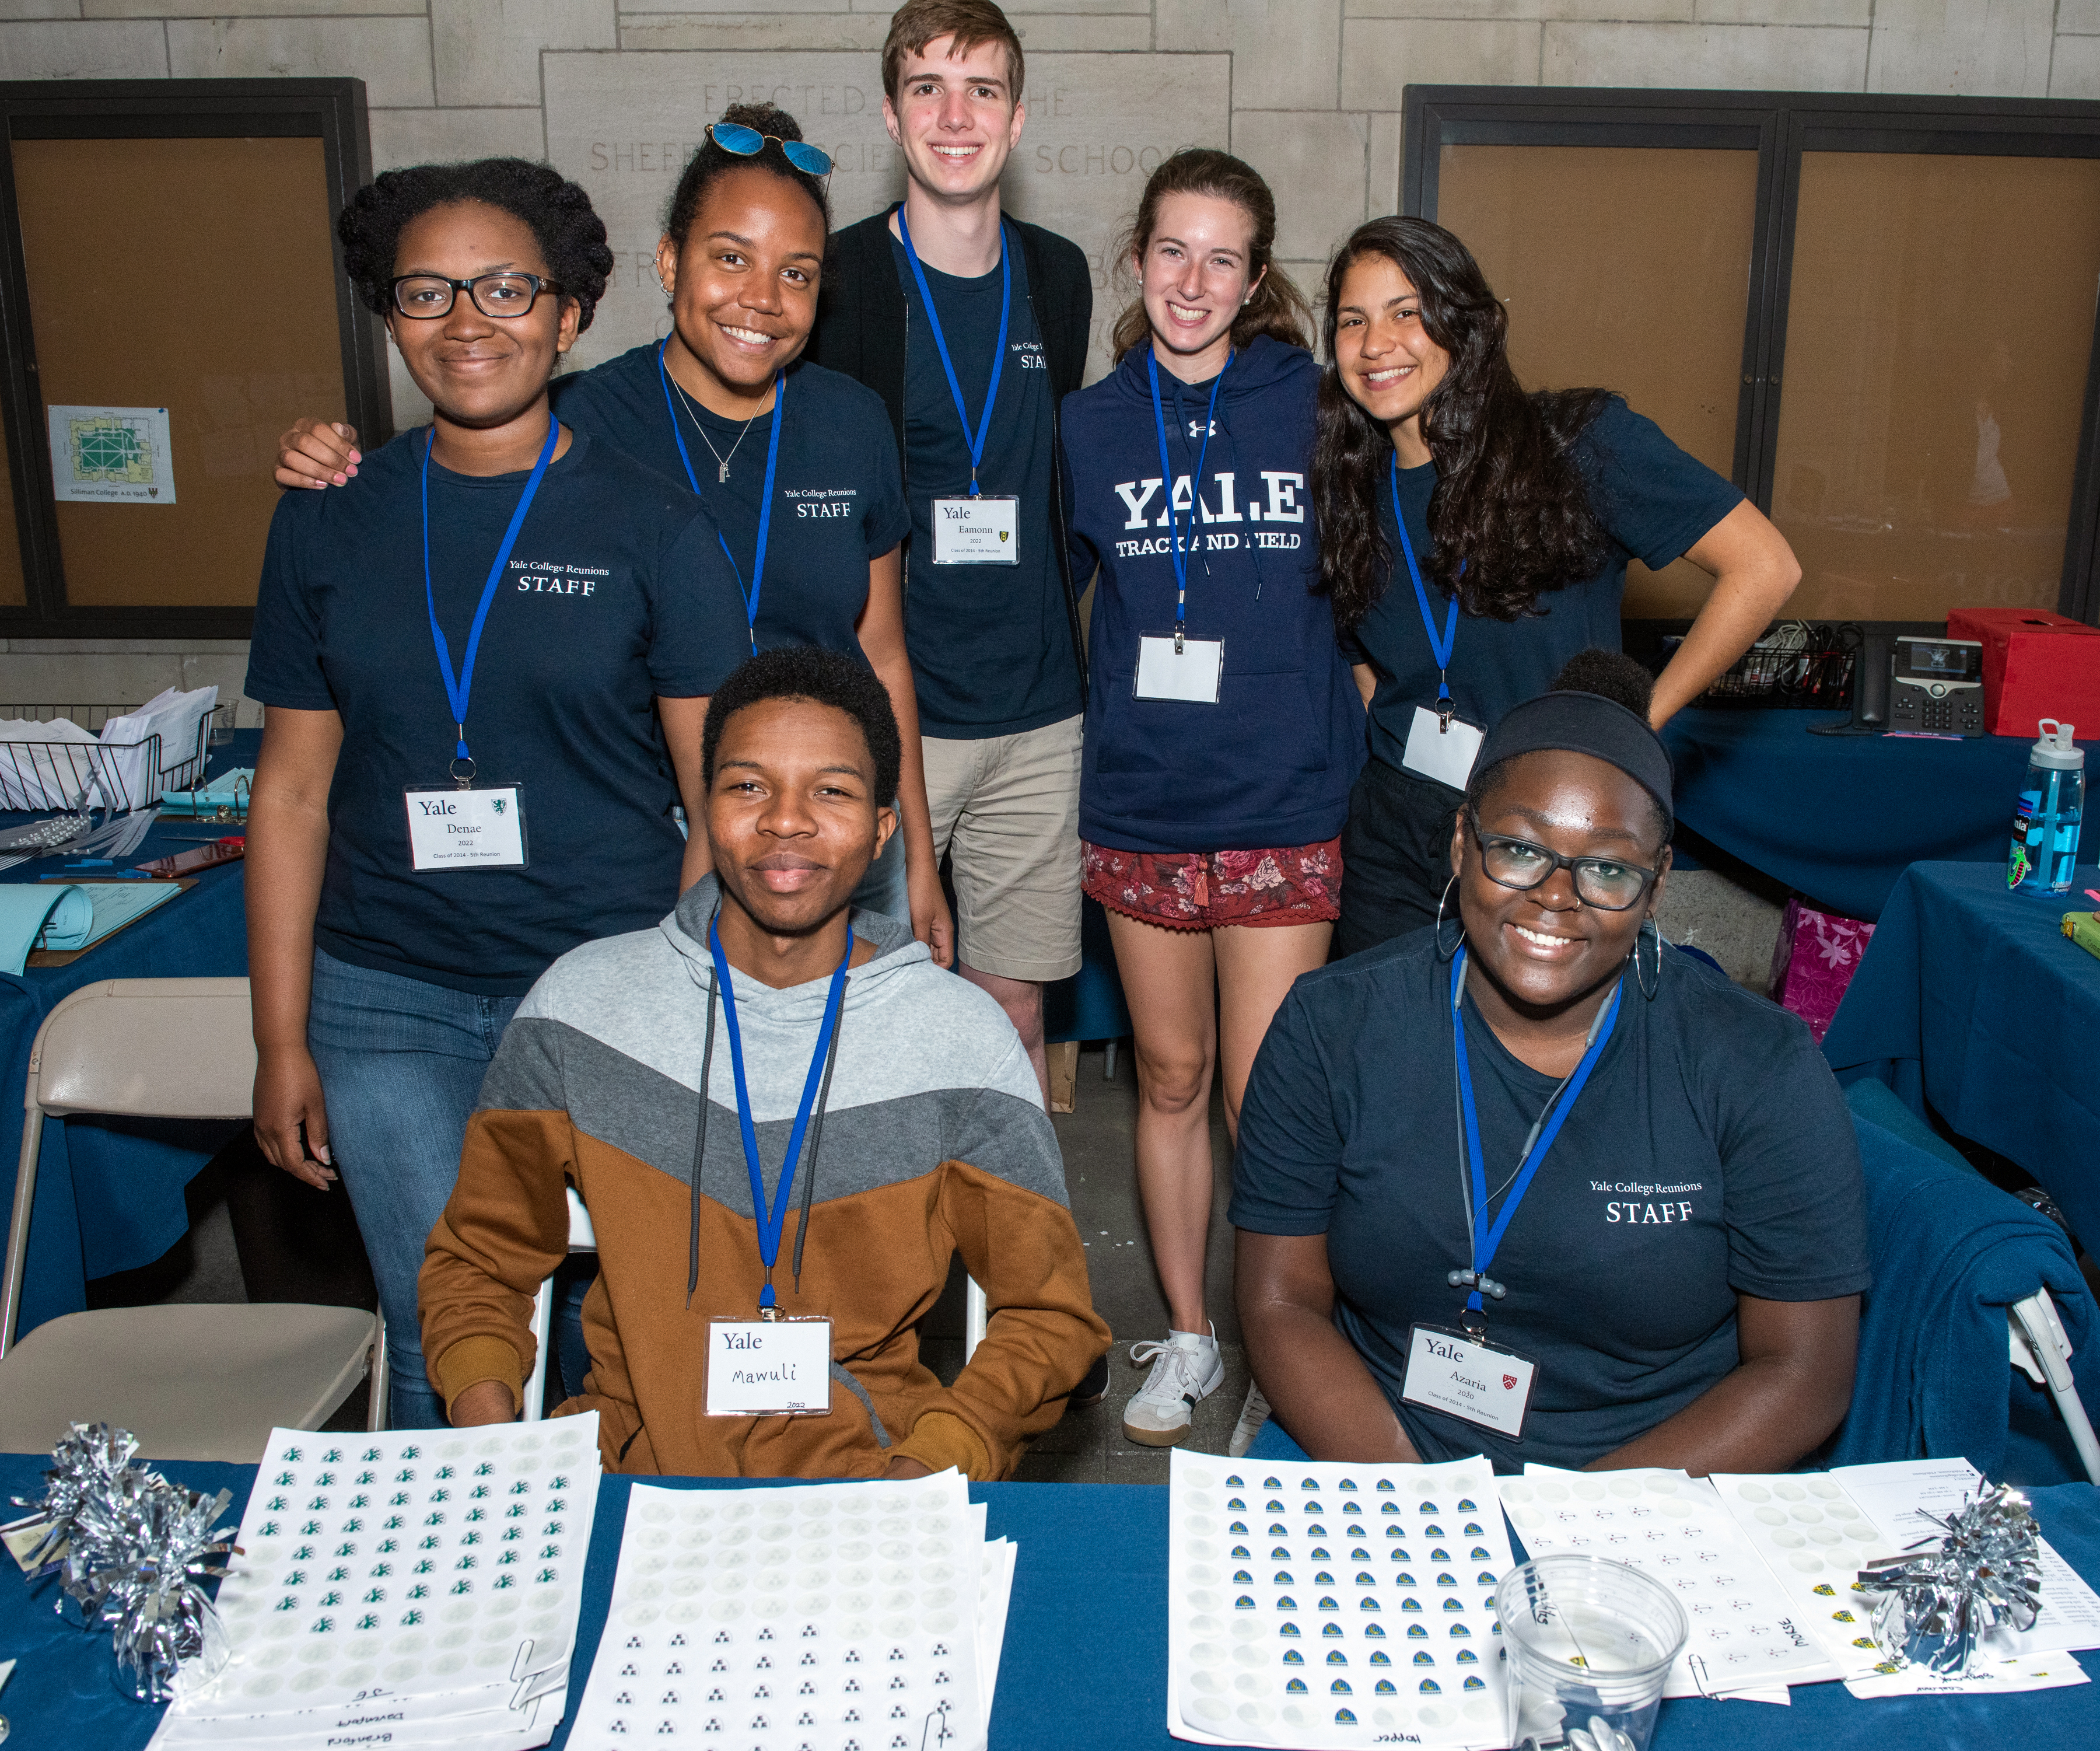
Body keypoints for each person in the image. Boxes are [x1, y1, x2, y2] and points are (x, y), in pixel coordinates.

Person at [245, 159, 741, 1429]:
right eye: (428, 291)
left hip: (599, 991)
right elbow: (293, 797)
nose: (469, 321)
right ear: (391, 315)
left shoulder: (654, 523)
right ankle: (458, 1608)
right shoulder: (327, 517)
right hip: (385, 1003)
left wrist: (669, 1006)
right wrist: (281, 1037)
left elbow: (718, 804)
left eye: (508, 287)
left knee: (615, 1324)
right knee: (441, 1329)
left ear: (570, 312)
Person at [270, 104, 947, 960]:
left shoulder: (852, 422)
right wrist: (327, 459)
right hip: (671, 825)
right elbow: (451, 491)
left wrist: (918, 859)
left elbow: (882, 653)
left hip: (834, 822)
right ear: (670, 262)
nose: (762, 300)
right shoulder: (584, 416)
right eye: (730, 258)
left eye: (798, 274)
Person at [420, 646, 1112, 1476]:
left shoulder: (960, 1041)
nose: (787, 820)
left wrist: (932, 1471)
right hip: (626, 1477)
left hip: (874, 1484)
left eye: (832, 790)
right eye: (748, 785)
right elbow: (477, 1263)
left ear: (885, 827)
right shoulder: (581, 1009)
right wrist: (499, 1455)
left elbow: (1050, 1316)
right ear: (703, 808)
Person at [1231, 652, 1867, 1474]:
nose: (1556, 898)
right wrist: (1426, 1508)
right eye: (1520, 850)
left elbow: (1806, 1375)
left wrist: (1577, 1530)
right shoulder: (1331, 1026)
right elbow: (1281, 1301)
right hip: (1383, 1448)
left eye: (1607, 867)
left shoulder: (1759, 1067)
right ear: (1462, 843)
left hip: (1656, 1483)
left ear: (1658, 882)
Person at [1060, 149, 1357, 1448]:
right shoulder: (1089, 425)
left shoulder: (1319, 402)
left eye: (1222, 257)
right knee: (1169, 1078)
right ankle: (1188, 1335)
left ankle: (1293, 1349)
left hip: (1283, 800)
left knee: (1265, 1098)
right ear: (1138, 257)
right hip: (1143, 804)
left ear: (1255, 277)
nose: (1193, 280)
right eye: (1173, 251)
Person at [1312, 217, 1803, 956]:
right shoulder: (1349, 488)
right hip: (1396, 828)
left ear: (1462, 323)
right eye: (1354, 321)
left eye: (1406, 312)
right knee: (1395, 1053)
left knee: (1535, 1056)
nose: (1376, 343)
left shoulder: (1578, 442)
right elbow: (1366, 660)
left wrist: (1633, 728)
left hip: (1555, 818)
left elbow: (1766, 568)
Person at [804, 0, 1093, 1103]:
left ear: (1018, 119)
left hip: (1033, 714)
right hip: (884, 715)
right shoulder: (835, 280)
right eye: (928, 86)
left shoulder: (1057, 276)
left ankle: (1004, 1266)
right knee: (869, 1016)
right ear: (892, 114)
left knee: (1012, 1013)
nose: (955, 113)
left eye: (982, 89)